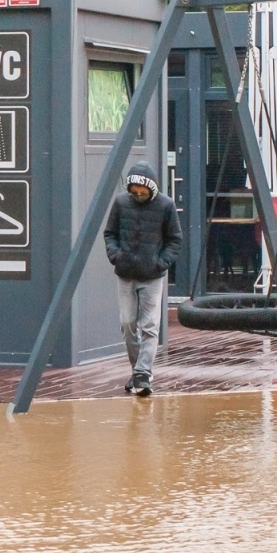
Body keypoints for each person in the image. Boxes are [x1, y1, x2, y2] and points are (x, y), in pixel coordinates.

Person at [102, 160, 182, 396]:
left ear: (152, 189)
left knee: (148, 326)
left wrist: (161, 263)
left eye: (142, 192)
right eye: (134, 191)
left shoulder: (166, 206)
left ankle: (143, 373)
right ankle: (139, 372)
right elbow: (110, 233)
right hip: (125, 273)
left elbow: (174, 239)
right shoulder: (120, 203)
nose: (137, 195)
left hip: (152, 276)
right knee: (127, 324)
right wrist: (116, 256)